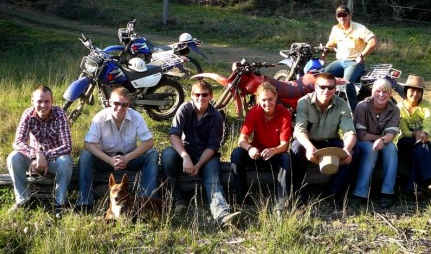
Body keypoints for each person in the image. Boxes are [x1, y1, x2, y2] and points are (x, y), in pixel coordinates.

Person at [161, 80, 239, 225]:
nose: (201, 98)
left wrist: (198, 165)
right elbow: (174, 135)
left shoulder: (216, 117)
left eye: (205, 95)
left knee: (213, 180)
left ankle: (222, 214)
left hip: (207, 156)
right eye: (197, 94)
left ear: (211, 96)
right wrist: (185, 157)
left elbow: (212, 146)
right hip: (185, 150)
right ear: (192, 95)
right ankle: (177, 201)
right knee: (167, 156)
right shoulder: (185, 109)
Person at [76, 87, 159, 210]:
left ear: (129, 104)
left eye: (124, 105)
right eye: (116, 103)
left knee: (152, 154)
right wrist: (109, 160)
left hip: (129, 158)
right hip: (106, 159)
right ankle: (85, 201)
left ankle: (146, 200)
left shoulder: (136, 116)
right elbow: (88, 144)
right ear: (109, 102)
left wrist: (127, 158)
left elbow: (149, 142)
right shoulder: (100, 117)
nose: (120, 108)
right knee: (85, 156)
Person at [6, 86, 73, 216]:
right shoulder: (28, 114)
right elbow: (18, 142)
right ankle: (23, 201)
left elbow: (67, 146)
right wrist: (36, 155)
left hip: (55, 160)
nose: (43, 105)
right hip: (34, 161)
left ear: (52, 101)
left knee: (66, 161)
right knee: (13, 157)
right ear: (32, 101)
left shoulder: (60, 114)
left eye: (47, 101)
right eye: (39, 101)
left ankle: (59, 204)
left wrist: (44, 155)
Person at [291, 72, 357, 199]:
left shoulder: (342, 104)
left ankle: (334, 191)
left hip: (330, 140)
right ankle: (298, 191)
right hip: (310, 141)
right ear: (316, 87)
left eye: (330, 87)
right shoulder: (304, 102)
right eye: (322, 87)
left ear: (335, 88)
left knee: (354, 151)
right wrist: (309, 147)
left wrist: (347, 150)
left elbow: (350, 131)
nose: (326, 90)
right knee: (296, 148)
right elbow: (300, 130)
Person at [230, 82, 292, 210]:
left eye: (270, 99)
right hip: (257, 154)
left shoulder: (284, 113)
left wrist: (274, 150)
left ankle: (281, 204)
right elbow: (242, 139)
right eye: (263, 100)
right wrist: (250, 148)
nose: (267, 103)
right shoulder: (255, 111)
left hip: (274, 155)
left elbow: (285, 145)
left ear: (276, 98)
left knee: (286, 157)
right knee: (237, 153)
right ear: (258, 100)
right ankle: (241, 200)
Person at [352, 79, 400, 208]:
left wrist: (383, 140)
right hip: (362, 141)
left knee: (391, 149)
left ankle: (387, 192)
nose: (381, 95)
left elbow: (392, 133)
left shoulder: (394, 109)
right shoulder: (362, 106)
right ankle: (360, 193)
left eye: (385, 92)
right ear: (372, 92)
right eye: (378, 91)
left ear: (390, 94)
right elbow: (362, 135)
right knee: (370, 149)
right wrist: (381, 138)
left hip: (383, 140)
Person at [320, 5, 378, 112]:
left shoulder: (359, 28)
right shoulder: (335, 29)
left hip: (353, 62)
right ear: (336, 17)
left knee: (346, 83)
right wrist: (323, 55)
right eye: (339, 15)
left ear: (349, 15)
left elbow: (373, 42)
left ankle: (354, 111)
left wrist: (361, 56)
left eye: (344, 15)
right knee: (321, 78)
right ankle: (323, 106)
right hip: (339, 62)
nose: (342, 18)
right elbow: (330, 44)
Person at [396, 75, 431, 196]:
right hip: (405, 139)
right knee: (420, 147)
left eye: (419, 91)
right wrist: (415, 134)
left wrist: (424, 134)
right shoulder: (399, 108)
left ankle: (414, 187)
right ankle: (430, 179)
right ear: (406, 91)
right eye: (412, 91)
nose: (415, 94)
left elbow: (427, 123)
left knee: (420, 148)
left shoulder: (427, 105)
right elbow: (404, 131)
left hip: (423, 139)